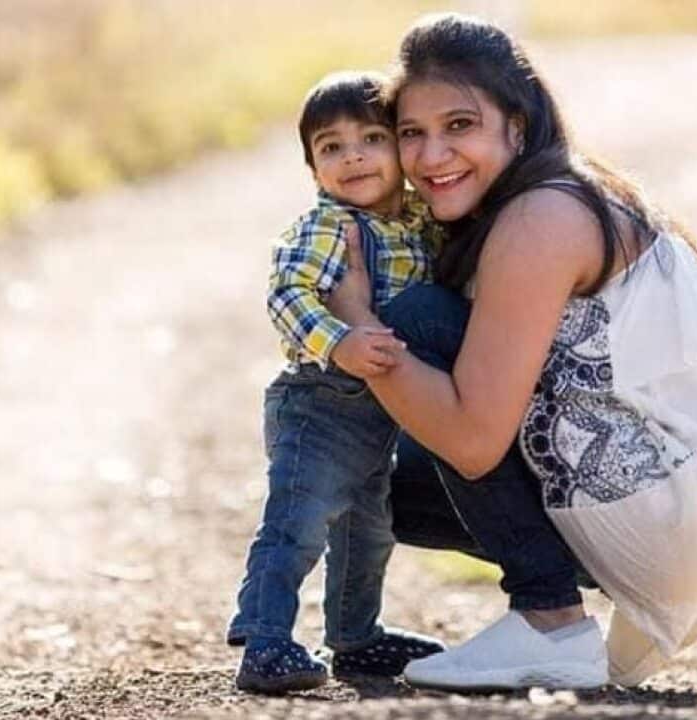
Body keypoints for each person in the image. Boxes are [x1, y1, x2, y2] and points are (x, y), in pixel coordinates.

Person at [325, 13, 697, 691]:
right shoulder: (563, 189)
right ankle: (658, 595)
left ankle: (550, 622)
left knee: (418, 320)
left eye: (459, 126)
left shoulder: (540, 218)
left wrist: (356, 324)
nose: (431, 157)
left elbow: (475, 443)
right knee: (367, 481)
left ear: (518, 122)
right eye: (412, 134)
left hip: (679, 512)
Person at [226, 70, 445, 694]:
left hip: (377, 417)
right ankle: (264, 639)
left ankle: (355, 636)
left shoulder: (415, 226)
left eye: (371, 139)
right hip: (320, 404)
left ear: (401, 151)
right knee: (297, 524)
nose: (352, 156)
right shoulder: (327, 228)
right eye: (331, 147)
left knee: (369, 531)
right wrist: (340, 341)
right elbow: (287, 295)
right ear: (313, 168)